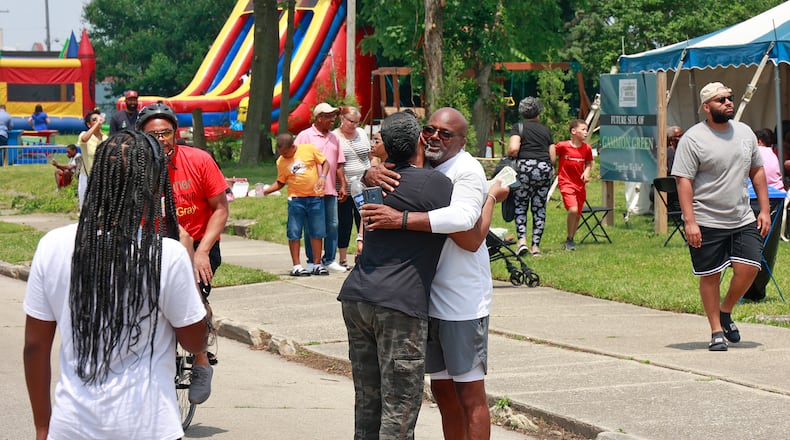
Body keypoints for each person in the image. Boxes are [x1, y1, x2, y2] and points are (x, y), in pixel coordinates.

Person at [23, 130, 209, 439]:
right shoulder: (166, 255)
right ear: (152, 186)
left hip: (72, 428)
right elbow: (195, 342)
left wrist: (43, 426)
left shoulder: (52, 245)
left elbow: (34, 346)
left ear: (98, 179)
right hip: (150, 428)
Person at [363, 107, 509, 440]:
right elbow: (382, 164)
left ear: (462, 140)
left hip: (461, 300)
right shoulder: (425, 164)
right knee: (443, 393)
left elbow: (464, 225)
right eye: (430, 130)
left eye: (446, 134)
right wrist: (370, 172)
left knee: (469, 395)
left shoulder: (467, 169)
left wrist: (399, 219)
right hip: (425, 297)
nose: (435, 138)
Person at [338, 112, 454, 439]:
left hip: (357, 297)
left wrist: (369, 171)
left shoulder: (377, 182)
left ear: (384, 149)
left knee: (368, 397)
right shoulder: (437, 184)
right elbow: (465, 221)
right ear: (420, 140)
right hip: (400, 305)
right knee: (399, 405)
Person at [137, 101, 229, 402]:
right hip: (153, 245)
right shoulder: (135, 169)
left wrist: (202, 252)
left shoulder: (199, 160)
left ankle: (201, 362)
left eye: (165, 133)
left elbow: (220, 209)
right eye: (153, 135)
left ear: (175, 133)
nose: (160, 140)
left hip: (199, 244)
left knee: (193, 297)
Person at [672, 81, 770, 352]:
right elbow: (684, 181)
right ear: (706, 107)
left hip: (741, 216)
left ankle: (726, 311)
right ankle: (716, 330)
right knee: (711, 275)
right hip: (706, 219)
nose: (728, 102)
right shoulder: (693, 138)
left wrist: (763, 209)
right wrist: (690, 221)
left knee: (750, 267)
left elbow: (757, 172)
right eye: (721, 100)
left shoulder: (745, 132)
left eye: (730, 97)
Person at [262, 133, 330, 276]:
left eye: (286, 152)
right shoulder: (281, 162)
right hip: (296, 200)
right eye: (281, 153)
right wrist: (267, 191)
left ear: (293, 146)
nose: (284, 155)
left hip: (315, 197)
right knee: (294, 232)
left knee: (317, 231)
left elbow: (325, 163)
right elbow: (281, 182)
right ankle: (297, 266)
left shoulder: (308, 149)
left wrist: (323, 177)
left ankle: (317, 264)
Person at [294, 102, 348, 273]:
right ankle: (312, 260)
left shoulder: (334, 138)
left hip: (331, 190)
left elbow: (338, 164)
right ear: (319, 118)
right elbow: (294, 162)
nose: (333, 119)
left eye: (334, 116)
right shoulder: (304, 136)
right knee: (311, 226)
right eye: (329, 116)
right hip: (310, 192)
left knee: (333, 224)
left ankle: (329, 259)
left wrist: (343, 185)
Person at [507, 96, 555, 256]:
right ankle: (536, 247)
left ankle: (522, 242)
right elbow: (553, 157)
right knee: (539, 207)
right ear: (538, 113)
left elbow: (513, 149)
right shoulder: (546, 130)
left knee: (521, 206)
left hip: (524, 170)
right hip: (544, 169)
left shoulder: (518, 127)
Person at [333, 106, 370, 268]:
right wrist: (342, 184)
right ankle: (342, 258)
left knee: (365, 221)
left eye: (357, 122)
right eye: (351, 121)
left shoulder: (361, 133)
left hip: (364, 186)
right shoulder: (334, 137)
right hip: (344, 188)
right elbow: (334, 163)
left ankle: (364, 255)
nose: (354, 125)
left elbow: (369, 155)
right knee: (344, 222)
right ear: (342, 118)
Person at [555, 119, 593, 251]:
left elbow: (588, 162)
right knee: (573, 210)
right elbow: (551, 154)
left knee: (577, 215)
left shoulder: (587, 148)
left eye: (586, 130)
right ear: (573, 131)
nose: (586, 132)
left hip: (580, 185)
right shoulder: (562, 146)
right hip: (566, 183)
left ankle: (570, 239)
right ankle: (570, 240)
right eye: (583, 129)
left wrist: (587, 172)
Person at [78, 109, 106, 209]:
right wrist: (96, 124)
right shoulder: (84, 135)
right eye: (94, 120)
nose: (98, 121)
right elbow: (84, 139)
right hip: (87, 176)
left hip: (101, 177)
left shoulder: (105, 138)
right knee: (85, 206)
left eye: (99, 119)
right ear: (89, 124)